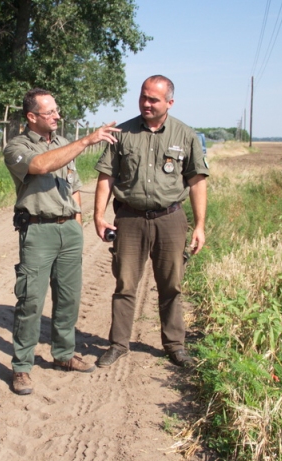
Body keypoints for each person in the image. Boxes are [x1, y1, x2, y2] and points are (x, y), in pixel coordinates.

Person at [3, 88, 120, 395]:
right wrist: (86, 141)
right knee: (30, 300)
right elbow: (41, 166)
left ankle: (64, 354)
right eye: (50, 112)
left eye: (57, 110)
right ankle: (22, 367)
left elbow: (74, 184)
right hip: (38, 231)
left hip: (68, 228)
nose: (57, 116)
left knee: (68, 297)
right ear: (32, 117)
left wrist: (78, 222)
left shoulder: (62, 144)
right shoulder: (17, 146)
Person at [93, 75, 209, 369]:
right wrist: (98, 215)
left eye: (153, 99)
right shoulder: (123, 133)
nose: (146, 103)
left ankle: (175, 345)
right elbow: (106, 176)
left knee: (171, 285)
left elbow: (196, 181)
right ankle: (118, 344)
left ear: (169, 102)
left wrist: (199, 225)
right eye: (143, 97)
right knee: (125, 284)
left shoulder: (185, 135)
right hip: (129, 219)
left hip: (170, 219)